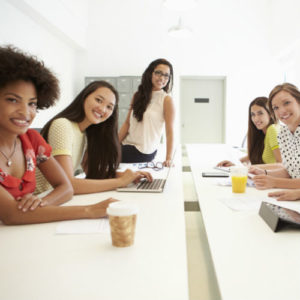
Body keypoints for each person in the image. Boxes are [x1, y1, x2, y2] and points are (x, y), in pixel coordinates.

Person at [0, 45, 117, 225]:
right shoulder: (63, 126)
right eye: (13, 100)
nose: (25, 112)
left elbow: (66, 187)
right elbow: (11, 215)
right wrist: (89, 210)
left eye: (32, 104)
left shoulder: (31, 140)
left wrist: (41, 202)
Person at [36, 81, 152, 195]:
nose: (102, 109)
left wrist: (127, 176)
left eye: (109, 107)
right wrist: (120, 182)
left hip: (53, 197)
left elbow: (93, 173)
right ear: (84, 97)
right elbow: (68, 184)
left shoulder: (86, 133)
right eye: (98, 100)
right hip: (36, 199)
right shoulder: (63, 125)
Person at [118, 58, 175, 167]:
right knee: (102, 149)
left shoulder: (166, 100)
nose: (162, 78)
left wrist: (168, 158)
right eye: (158, 73)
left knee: (103, 155)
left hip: (144, 150)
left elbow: (169, 132)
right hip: (127, 144)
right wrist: (115, 144)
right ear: (150, 73)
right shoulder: (137, 95)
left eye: (166, 75)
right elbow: (127, 123)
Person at [250, 83, 300, 200]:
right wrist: (265, 173)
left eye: (286, 103)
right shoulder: (283, 134)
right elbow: (291, 171)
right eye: (276, 108)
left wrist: (274, 182)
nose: (282, 111)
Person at [217, 97, 282, 167]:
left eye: (260, 113)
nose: (256, 119)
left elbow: (280, 164)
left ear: (270, 114)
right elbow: (254, 155)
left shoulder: (272, 129)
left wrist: (249, 168)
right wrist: (235, 163)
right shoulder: (263, 134)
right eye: (253, 114)